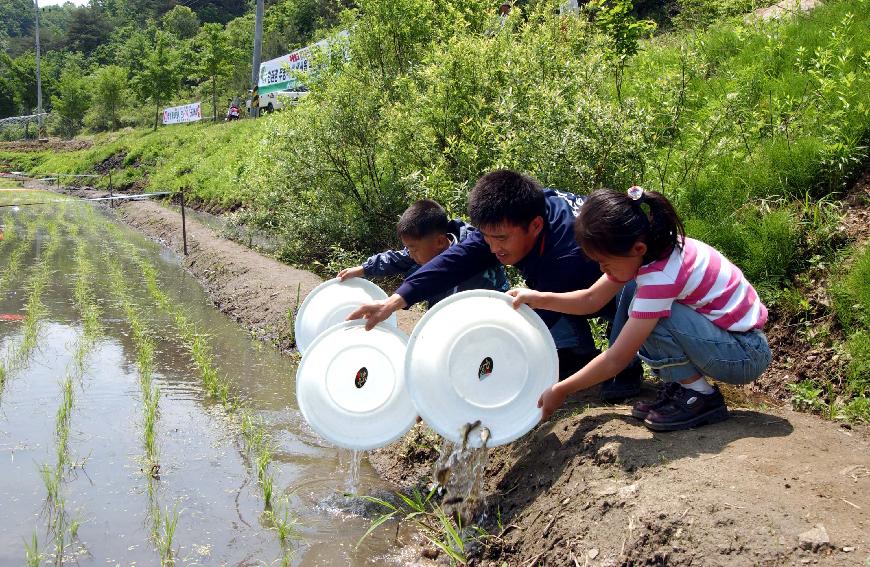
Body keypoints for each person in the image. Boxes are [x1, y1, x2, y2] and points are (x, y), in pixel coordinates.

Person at [347, 170, 644, 399]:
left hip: (627, 284)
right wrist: (395, 301)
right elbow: (452, 261)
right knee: (542, 298)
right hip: (568, 283)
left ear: (536, 226)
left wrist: (476, 371)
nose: (493, 248)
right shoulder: (510, 220)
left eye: (500, 239)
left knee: (596, 300)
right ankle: (575, 356)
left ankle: (626, 367)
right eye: (486, 237)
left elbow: (541, 316)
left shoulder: (568, 248)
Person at [509, 186, 772, 431]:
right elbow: (591, 299)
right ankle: (683, 384)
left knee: (648, 313)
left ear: (638, 248)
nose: (602, 270)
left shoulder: (660, 277)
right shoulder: (651, 252)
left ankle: (701, 396)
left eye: (604, 262)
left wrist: (561, 389)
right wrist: (538, 297)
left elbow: (617, 358)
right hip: (730, 341)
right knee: (633, 292)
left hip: (745, 354)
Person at [337, 199, 509, 306]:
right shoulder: (424, 253)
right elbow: (395, 259)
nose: (410, 254)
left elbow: (499, 296)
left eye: (414, 248)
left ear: (440, 242)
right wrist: (363, 269)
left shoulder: (477, 253)